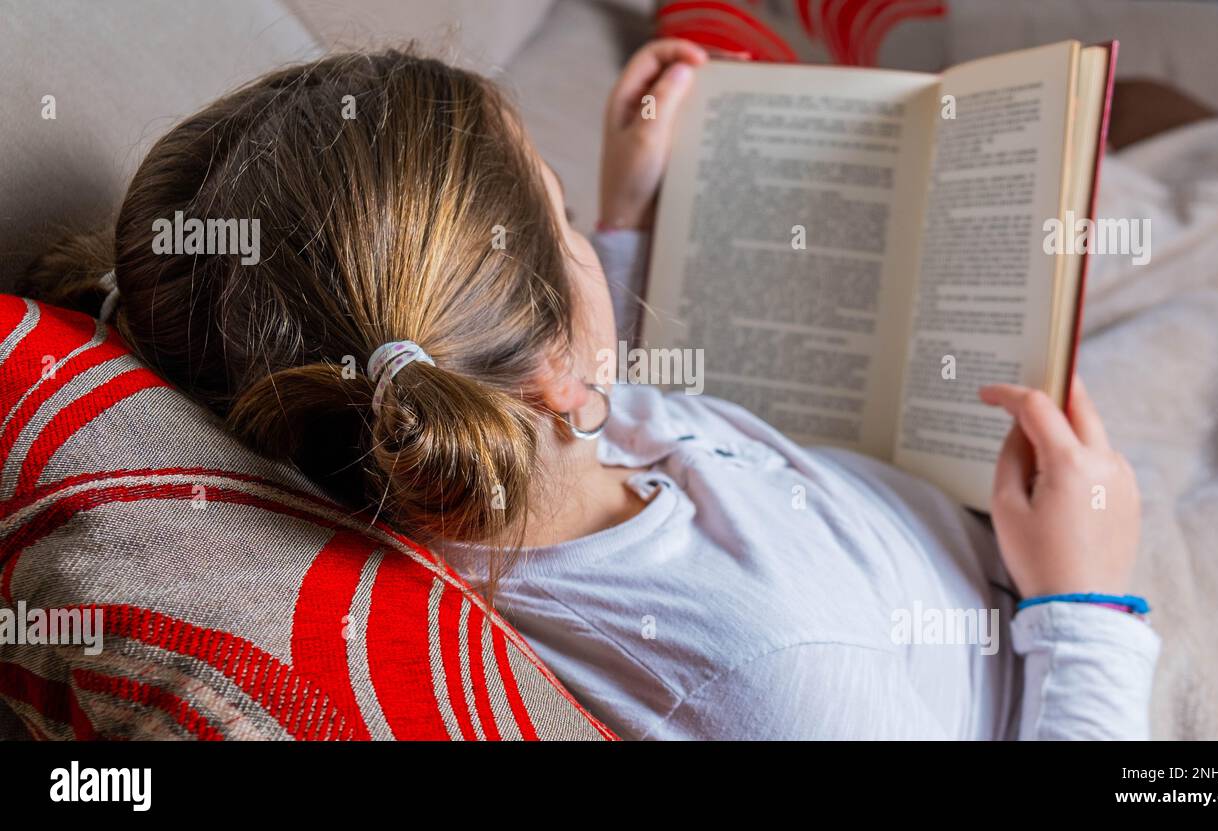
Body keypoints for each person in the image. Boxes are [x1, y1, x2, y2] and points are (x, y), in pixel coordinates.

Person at [31, 41, 1158, 740]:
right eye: (559, 218)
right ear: (554, 365)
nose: (579, 234)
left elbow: (524, 369)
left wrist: (623, 220)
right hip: (1043, 649)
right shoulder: (764, 671)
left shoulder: (477, 449)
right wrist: (1085, 602)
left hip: (932, 543)